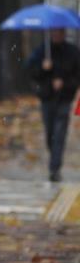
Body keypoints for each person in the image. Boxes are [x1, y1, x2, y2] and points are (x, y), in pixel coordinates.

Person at [25, 28, 80, 182]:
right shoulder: (42, 51)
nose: (56, 35)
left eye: (59, 32)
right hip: (47, 99)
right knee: (50, 133)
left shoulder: (72, 52)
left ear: (63, 33)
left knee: (59, 133)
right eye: (54, 32)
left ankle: (54, 168)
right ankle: (54, 158)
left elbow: (77, 76)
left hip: (64, 99)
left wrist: (64, 83)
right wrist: (43, 68)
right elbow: (30, 70)